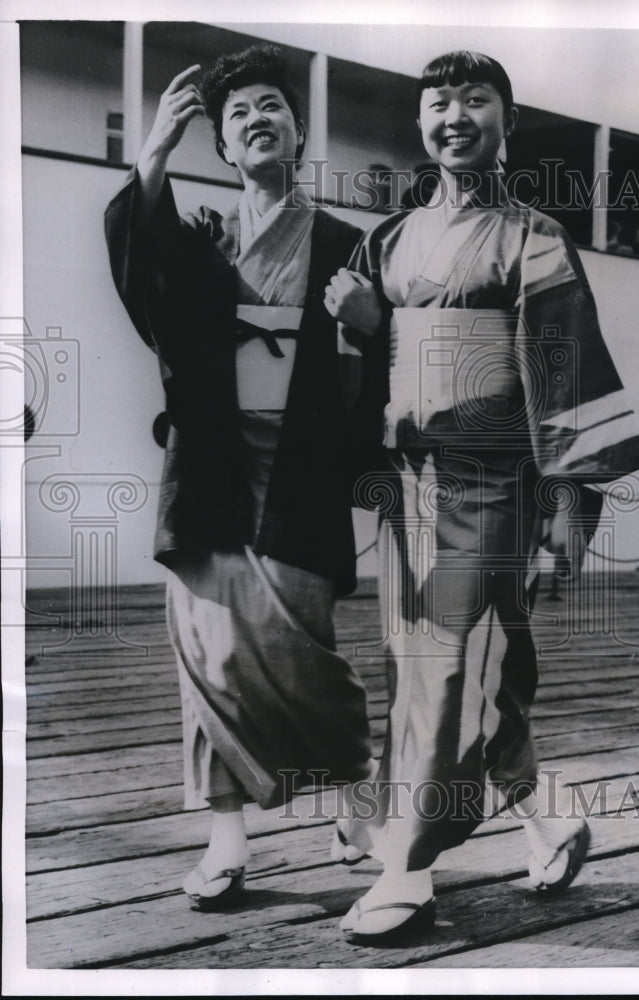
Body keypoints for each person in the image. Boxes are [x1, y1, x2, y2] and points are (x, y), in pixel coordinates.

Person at [324, 50, 639, 944]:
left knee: (451, 664)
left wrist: (566, 501)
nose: (454, 115)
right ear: (419, 123)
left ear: (507, 118)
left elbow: (562, 365)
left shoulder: (532, 235)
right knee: (442, 672)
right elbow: (360, 377)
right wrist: (367, 327)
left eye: (476, 99)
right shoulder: (386, 241)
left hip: (494, 479)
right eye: (438, 102)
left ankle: (410, 868)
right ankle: (548, 817)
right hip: (410, 486)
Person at [104, 43, 376, 910]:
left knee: (306, 654)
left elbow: (382, 358)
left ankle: (352, 790)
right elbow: (142, 279)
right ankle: (226, 839)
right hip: (215, 471)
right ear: (221, 146)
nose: (257, 120)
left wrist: (368, 326)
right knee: (212, 660)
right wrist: (151, 152)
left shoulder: (344, 243)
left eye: (272, 106)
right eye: (238, 115)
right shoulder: (200, 242)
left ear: (298, 130)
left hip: (301, 471)